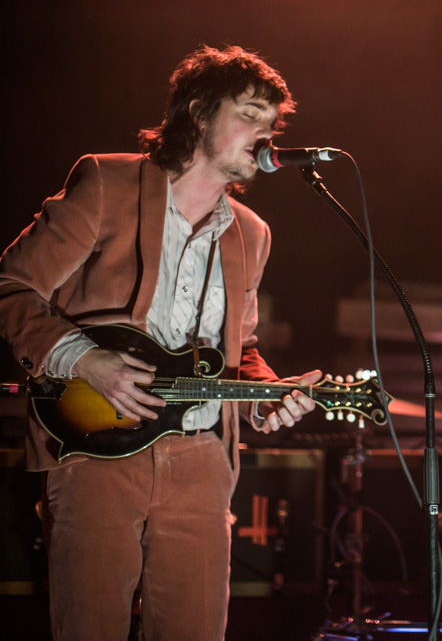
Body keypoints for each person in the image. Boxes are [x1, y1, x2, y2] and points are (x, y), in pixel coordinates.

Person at [0, 45, 321, 640]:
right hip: (95, 449)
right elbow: (11, 286)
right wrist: (86, 359)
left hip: (201, 459)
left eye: (271, 122)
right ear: (199, 114)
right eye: (250, 114)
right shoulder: (108, 182)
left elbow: (240, 351)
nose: (265, 132)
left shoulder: (252, 234)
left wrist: (269, 395)